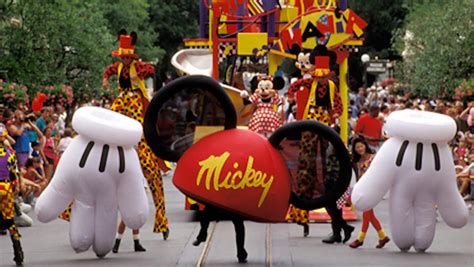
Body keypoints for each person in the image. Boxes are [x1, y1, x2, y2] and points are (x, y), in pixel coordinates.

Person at [102, 29, 169, 239]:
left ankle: (161, 221)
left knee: (138, 127)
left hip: (134, 100)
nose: (123, 59)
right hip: (122, 99)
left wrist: (142, 71)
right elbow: (108, 71)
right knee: (109, 120)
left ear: (131, 56)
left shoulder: (135, 66)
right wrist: (105, 79)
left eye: (127, 57)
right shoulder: (119, 66)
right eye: (122, 57)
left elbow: (149, 68)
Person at [287, 45, 353, 242]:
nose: (321, 80)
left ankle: (339, 227)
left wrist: (331, 117)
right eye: (319, 76)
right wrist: (296, 90)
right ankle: (305, 214)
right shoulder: (310, 85)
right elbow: (293, 89)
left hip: (325, 131)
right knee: (308, 169)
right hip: (311, 127)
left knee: (325, 179)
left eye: (324, 77)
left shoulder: (332, 88)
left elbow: (339, 107)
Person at [348, 137, 390, 248]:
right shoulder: (357, 161)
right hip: (363, 189)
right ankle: (382, 236)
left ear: (365, 146)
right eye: (357, 147)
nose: (360, 149)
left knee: (367, 212)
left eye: (361, 146)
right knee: (369, 214)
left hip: (373, 189)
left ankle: (360, 239)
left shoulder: (373, 158)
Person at [0, 123, 24, 265]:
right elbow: (14, 175)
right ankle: (18, 251)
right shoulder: (10, 154)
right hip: (5, 188)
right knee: (10, 221)